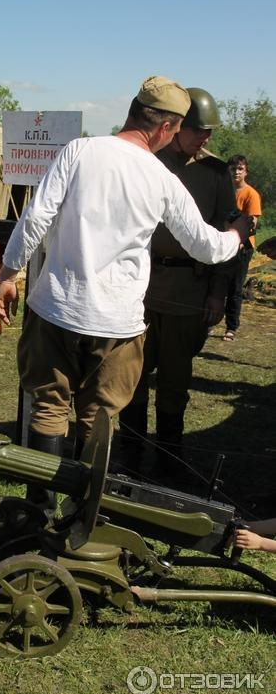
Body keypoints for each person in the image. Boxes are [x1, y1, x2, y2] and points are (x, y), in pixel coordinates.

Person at [0, 76, 251, 514]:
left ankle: (39, 511)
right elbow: (205, 247)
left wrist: (8, 273)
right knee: (98, 420)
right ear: (167, 128)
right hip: (117, 324)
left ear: (132, 111)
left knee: (48, 409)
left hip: (56, 308)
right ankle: (82, 517)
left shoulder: (78, 151)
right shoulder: (161, 177)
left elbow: (35, 218)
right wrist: (236, 235)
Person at [119, 88, 238, 480]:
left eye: (210, 132)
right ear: (177, 126)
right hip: (142, 285)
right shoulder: (147, 160)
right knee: (132, 375)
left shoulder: (217, 173)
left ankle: (170, 461)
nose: (205, 138)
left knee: (175, 381)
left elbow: (226, 232)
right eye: (199, 130)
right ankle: (129, 455)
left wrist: (218, 292)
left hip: (188, 290)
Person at [222, 154, 262, 342]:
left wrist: (238, 241)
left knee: (235, 288)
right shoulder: (223, 191)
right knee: (216, 285)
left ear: (246, 171)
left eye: (240, 169)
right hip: (221, 244)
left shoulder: (251, 194)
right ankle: (208, 322)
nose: (236, 172)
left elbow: (252, 222)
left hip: (242, 247)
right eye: (233, 168)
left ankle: (231, 327)